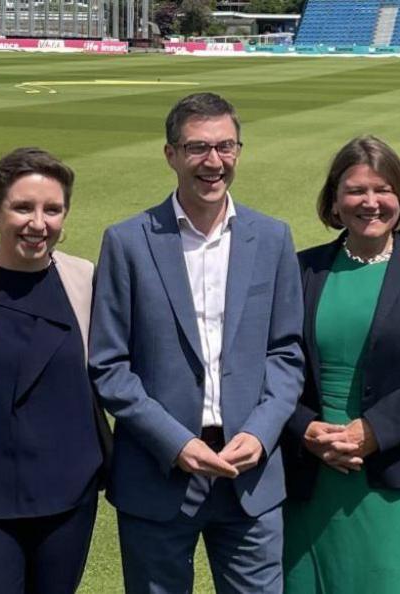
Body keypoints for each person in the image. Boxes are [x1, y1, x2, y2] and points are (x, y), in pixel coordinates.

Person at [88, 92, 306, 593]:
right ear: (170, 155)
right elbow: (109, 364)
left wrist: (262, 430)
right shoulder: (127, 241)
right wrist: (176, 443)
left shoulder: (272, 238)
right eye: (197, 148)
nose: (213, 162)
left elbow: (286, 352)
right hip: (159, 476)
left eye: (225, 147)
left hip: (248, 473)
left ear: (239, 150)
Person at [280, 135, 400, 593]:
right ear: (334, 201)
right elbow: (270, 364)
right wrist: (306, 429)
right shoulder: (301, 269)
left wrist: (372, 432)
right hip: (313, 474)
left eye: (382, 190)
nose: (370, 202)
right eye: (355, 191)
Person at [0, 147, 112, 594]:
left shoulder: (86, 279)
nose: (38, 224)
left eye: (52, 210)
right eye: (23, 207)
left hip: (68, 492)